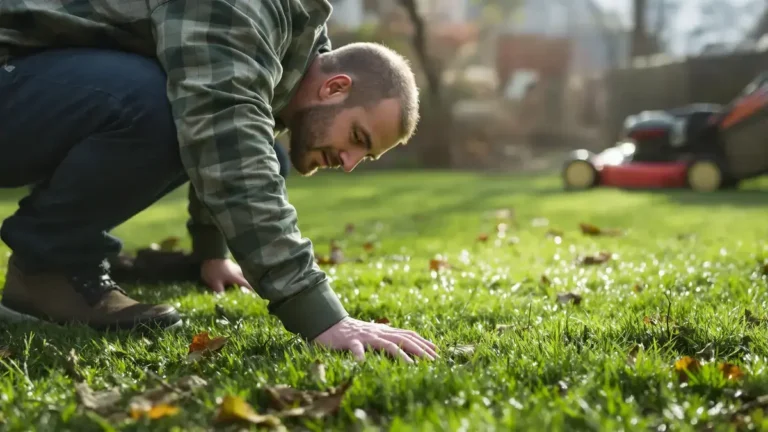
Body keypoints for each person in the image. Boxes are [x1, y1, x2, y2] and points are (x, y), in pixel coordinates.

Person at [0, 0, 437, 363]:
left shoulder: (291, 49)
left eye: (365, 156)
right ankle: (49, 267)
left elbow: (229, 113)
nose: (349, 163)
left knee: (263, 152)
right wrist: (319, 314)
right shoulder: (244, 8)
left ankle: (60, 254)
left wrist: (211, 253)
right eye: (358, 138)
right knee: (162, 105)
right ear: (335, 87)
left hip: (33, 91)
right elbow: (223, 130)